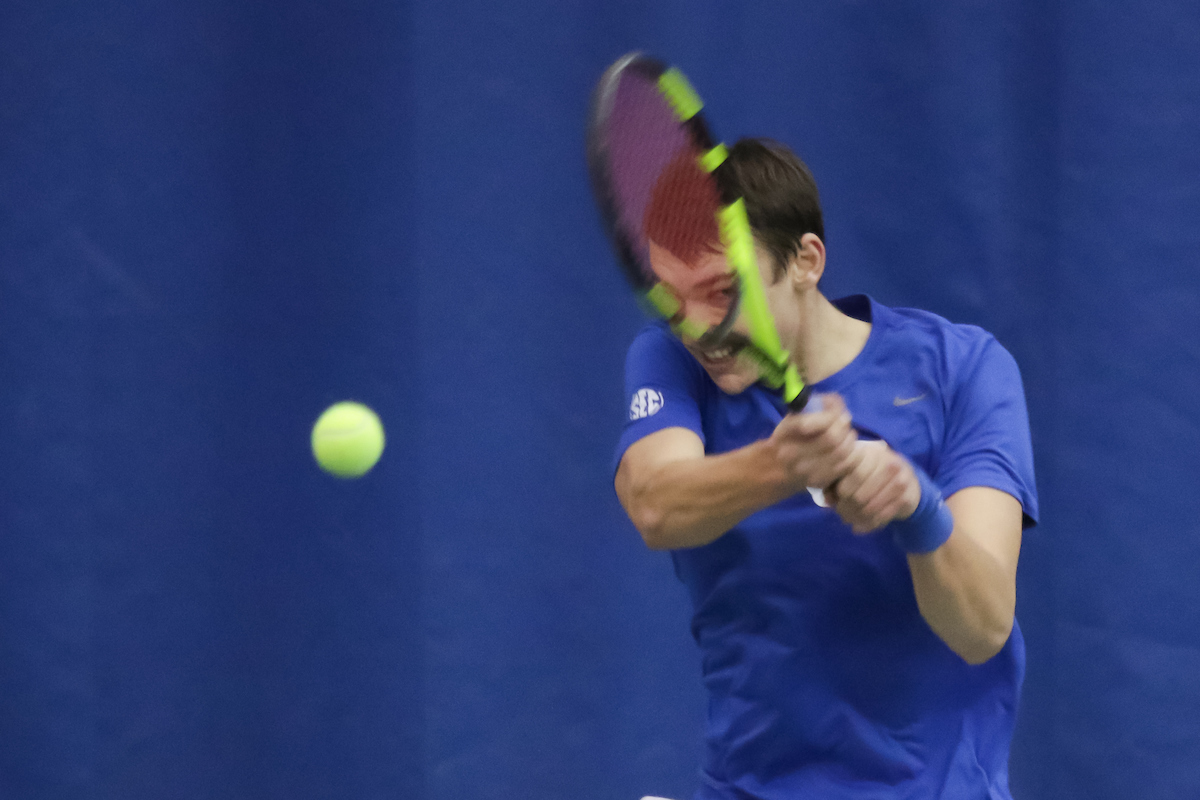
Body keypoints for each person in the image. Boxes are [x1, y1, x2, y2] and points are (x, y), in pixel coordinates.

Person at [613, 139, 1038, 799]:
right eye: (672, 298)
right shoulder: (670, 361)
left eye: (723, 290)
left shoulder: (964, 370)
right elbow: (656, 505)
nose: (696, 327)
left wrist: (916, 508)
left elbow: (982, 628)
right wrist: (781, 463)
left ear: (806, 261)